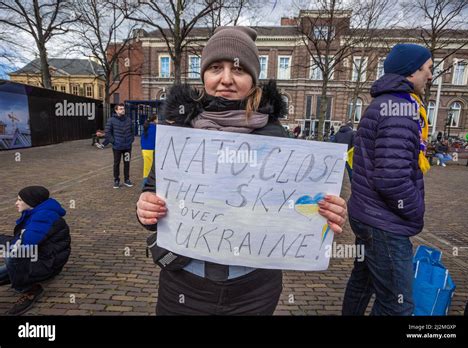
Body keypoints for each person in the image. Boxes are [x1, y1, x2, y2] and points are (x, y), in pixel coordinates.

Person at [136, 26, 348, 316]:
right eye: (215, 68)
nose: (226, 79)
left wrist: (326, 210)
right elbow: (152, 195)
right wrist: (145, 208)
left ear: (252, 79)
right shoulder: (180, 132)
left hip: (254, 292)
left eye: (237, 70)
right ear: (204, 76)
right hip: (183, 287)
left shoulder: (276, 137)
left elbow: (298, 207)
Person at [343, 43, 433, 316]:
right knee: (398, 304)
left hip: (368, 212)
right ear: (411, 71)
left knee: (363, 281)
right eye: (428, 69)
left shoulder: (385, 102)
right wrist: (415, 208)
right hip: (384, 221)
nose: (430, 77)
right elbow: (390, 178)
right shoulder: (401, 109)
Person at [0, 186, 71, 315]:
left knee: (12, 256)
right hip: (37, 257)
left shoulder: (44, 217)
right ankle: (16, 276)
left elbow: (24, 245)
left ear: (31, 202)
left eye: (20, 200)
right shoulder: (36, 212)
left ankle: (29, 289)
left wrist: (5, 248)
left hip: (48, 263)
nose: (16, 203)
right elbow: (20, 238)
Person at [105, 103, 135, 188]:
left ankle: (127, 180)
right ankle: (116, 180)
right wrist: (113, 142)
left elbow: (132, 131)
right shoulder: (111, 120)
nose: (123, 110)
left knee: (127, 163)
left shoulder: (128, 120)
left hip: (127, 147)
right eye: (121, 109)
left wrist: (131, 140)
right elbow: (107, 132)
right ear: (116, 110)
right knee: (116, 163)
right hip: (117, 147)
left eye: (123, 108)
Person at [141, 114, 158, 187]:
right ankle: (146, 185)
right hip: (151, 149)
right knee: (151, 169)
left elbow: (142, 139)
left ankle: (145, 184)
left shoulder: (146, 126)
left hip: (145, 149)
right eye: (158, 119)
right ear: (154, 120)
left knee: (147, 168)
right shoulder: (155, 128)